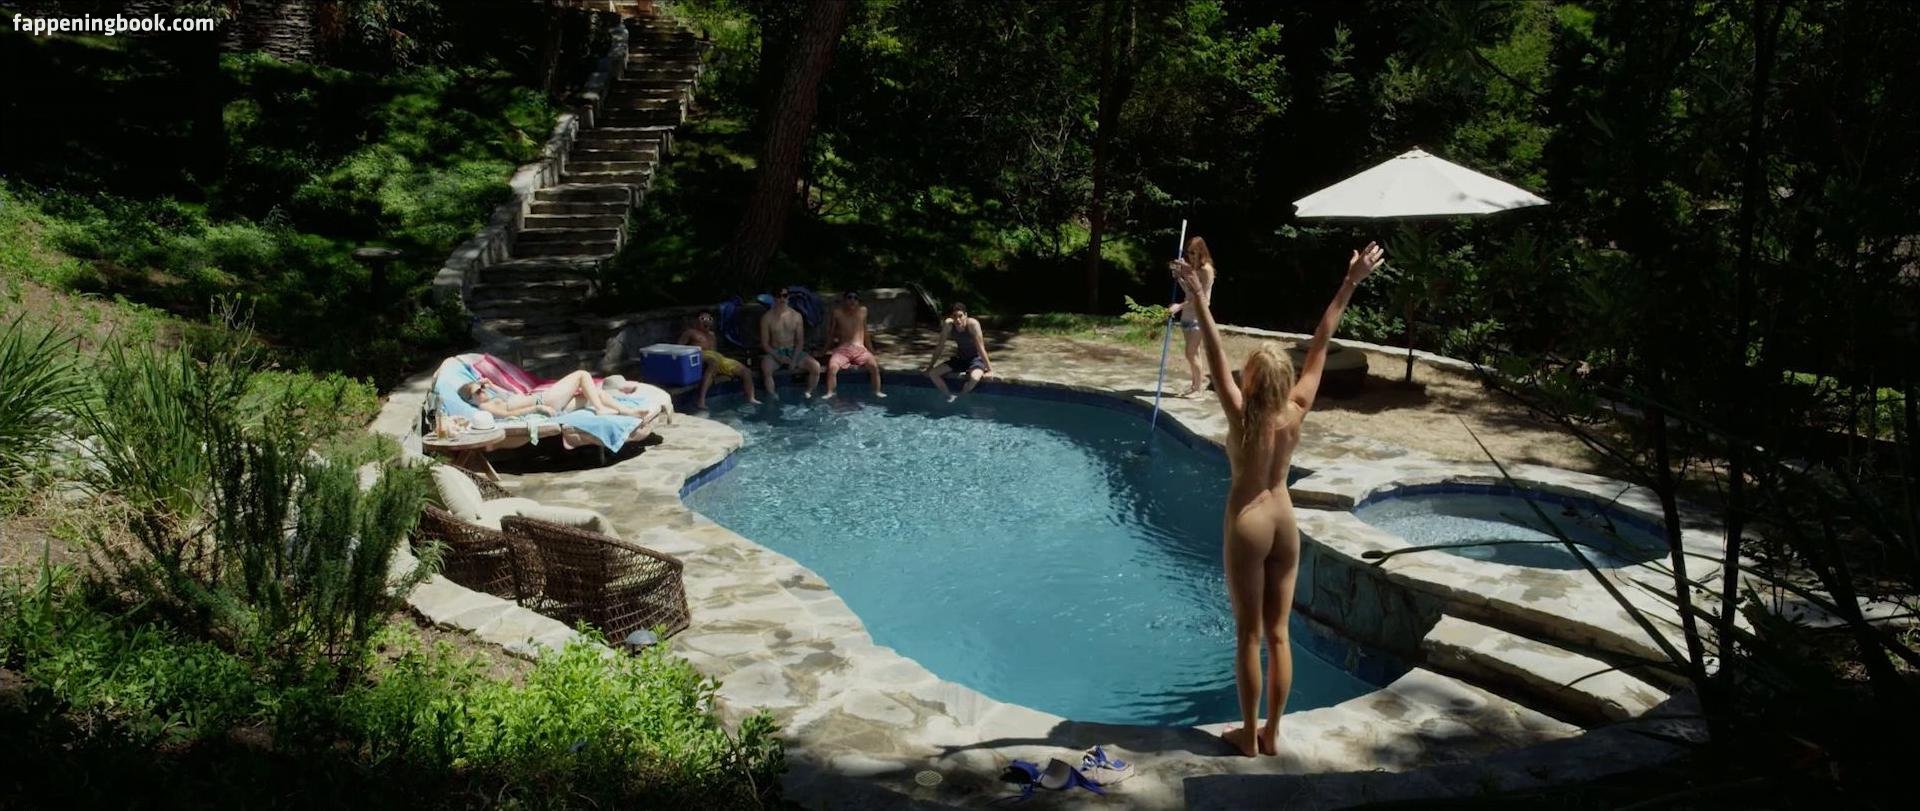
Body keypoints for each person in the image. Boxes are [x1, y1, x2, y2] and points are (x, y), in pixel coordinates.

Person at [1175, 241, 1383, 757]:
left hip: (1248, 522)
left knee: (1248, 636)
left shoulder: (1240, 414)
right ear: (1285, 379)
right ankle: (1273, 734)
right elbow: (1321, 341)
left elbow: (1215, 354)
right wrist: (1350, 282)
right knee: (1279, 635)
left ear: (1250, 379)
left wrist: (1199, 299)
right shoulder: (1298, 408)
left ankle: (1247, 736)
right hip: (1285, 523)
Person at [458, 370, 657, 423]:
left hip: (549, 401)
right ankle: (600, 410)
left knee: (597, 393)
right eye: (478, 391)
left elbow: (510, 396)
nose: (482, 391)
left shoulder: (492, 398)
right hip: (544, 401)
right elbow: (508, 414)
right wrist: (537, 408)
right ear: (471, 399)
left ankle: (628, 412)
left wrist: (490, 384)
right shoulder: (485, 408)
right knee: (582, 375)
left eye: (481, 388)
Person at [1167, 236, 1217, 397]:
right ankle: (1195, 385)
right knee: (1194, 354)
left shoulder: (1206, 270)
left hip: (1198, 317)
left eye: (1194, 253)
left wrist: (1178, 306)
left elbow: (1201, 298)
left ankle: (1198, 388)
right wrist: (1179, 278)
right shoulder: (1192, 268)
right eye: (1188, 252)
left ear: (1202, 252)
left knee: (1190, 353)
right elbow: (1189, 291)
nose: (1190, 256)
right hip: (1186, 317)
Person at [680, 312, 759, 410]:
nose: (706, 321)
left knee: (745, 371)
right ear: (697, 321)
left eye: (709, 319)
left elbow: (715, 351)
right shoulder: (690, 332)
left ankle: (751, 398)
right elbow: (679, 349)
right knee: (713, 363)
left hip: (718, 358)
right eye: (703, 319)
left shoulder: (712, 335)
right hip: (700, 355)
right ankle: (701, 401)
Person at [759, 285, 824, 398]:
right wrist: (778, 357)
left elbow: (800, 342)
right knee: (766, 368)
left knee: (816, 367)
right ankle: (773, 395)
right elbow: (765, 344)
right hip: (776, 351)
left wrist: (794, 360)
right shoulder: (767, 318)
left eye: (785, 295)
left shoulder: (797, 316)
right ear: (774, 298)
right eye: (779, 296)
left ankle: (808, 392)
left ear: (788, 297)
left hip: (793, 350)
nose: (782, 299)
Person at [822, 291, 887, 400]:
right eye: (849, 297)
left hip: (860, 349)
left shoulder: (863, 311)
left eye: (855, 298)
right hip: (842, 350)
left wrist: (871, 350)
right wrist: (823, 351)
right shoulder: (837, 313)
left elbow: (865, 332)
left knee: (874, 366)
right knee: (832, 367)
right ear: (844, 300)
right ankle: (830, 392)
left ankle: (877, 391)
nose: (852, 300)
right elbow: (831, 334)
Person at [925, 301, 991, 402]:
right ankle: (949, 396)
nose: (958, 320)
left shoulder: (972, 324)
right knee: (933, 374)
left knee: (974, 378)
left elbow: (981, 348)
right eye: (954, 316)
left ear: (966, 315)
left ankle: (961, 397)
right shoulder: (949, 325)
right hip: (960, 358)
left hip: (976, 359)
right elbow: (940, 347)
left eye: (960, 316)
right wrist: (930, 366)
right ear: (951, 317)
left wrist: (989, 370)